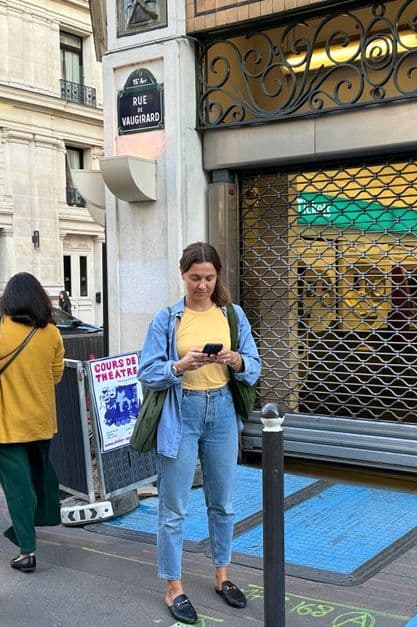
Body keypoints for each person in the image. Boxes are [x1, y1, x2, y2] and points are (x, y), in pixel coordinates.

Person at [138, 242, 261, 625]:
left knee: (223, 502)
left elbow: (254, 367)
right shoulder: (167, 319)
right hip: (181, 411)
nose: (202, 285)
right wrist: (179, 365)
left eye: (209, 277)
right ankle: (173, 586)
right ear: (183, 275)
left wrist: (235, 359)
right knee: (173, 507)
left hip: (222, 410)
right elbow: (147, 371)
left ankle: (222, 575)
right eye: (195, 278)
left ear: (217, 277)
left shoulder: (233, 315)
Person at [0, 273, 65, 574]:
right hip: (40, 421)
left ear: (8, 299)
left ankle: (26, 549)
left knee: (17, 487)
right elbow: (56, 376)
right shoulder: (52, 333)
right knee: (37, 477)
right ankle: (31, 523)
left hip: (5, 423)